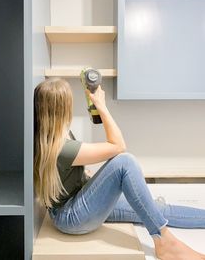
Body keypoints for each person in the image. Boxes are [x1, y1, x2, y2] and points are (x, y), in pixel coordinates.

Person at [34, 78, 205, 260]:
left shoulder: (49, 138)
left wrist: (86, 178)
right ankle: (164, 242)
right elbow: (118, 146)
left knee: (154, 209)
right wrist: (101, 105)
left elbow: (64, 174)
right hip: (71, 217)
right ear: (63, 110)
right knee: (125, 162)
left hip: (76, 204)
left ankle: (171, 230)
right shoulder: (62, 147)